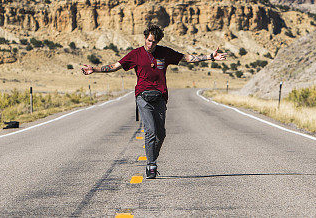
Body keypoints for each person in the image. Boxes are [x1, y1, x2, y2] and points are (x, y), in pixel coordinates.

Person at [81, 24, 227, 179]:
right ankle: (151, 165)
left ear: (158, 42)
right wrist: (95, 69)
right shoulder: (136, 54)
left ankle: (152, 157)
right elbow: (115, 66)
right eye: (149, 41)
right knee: (151, 131)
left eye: (154, 42)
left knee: (161, 134)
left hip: (160, 97)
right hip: (143, 97)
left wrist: (210, 56)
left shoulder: (165, 53)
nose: (150, 44)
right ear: (145, 38)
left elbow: (187, 58)